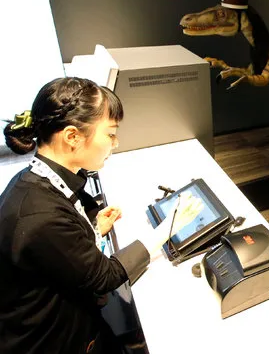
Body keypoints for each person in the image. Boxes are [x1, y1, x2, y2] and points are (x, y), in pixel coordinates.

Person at [0, 77, 203, 354]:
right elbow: (105, 276)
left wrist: (91, 226)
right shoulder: (41, 217)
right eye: (110, 134)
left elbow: (57, 243)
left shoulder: (33, 181)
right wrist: (167, 228)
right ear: (72, 137)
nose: (115, 143)